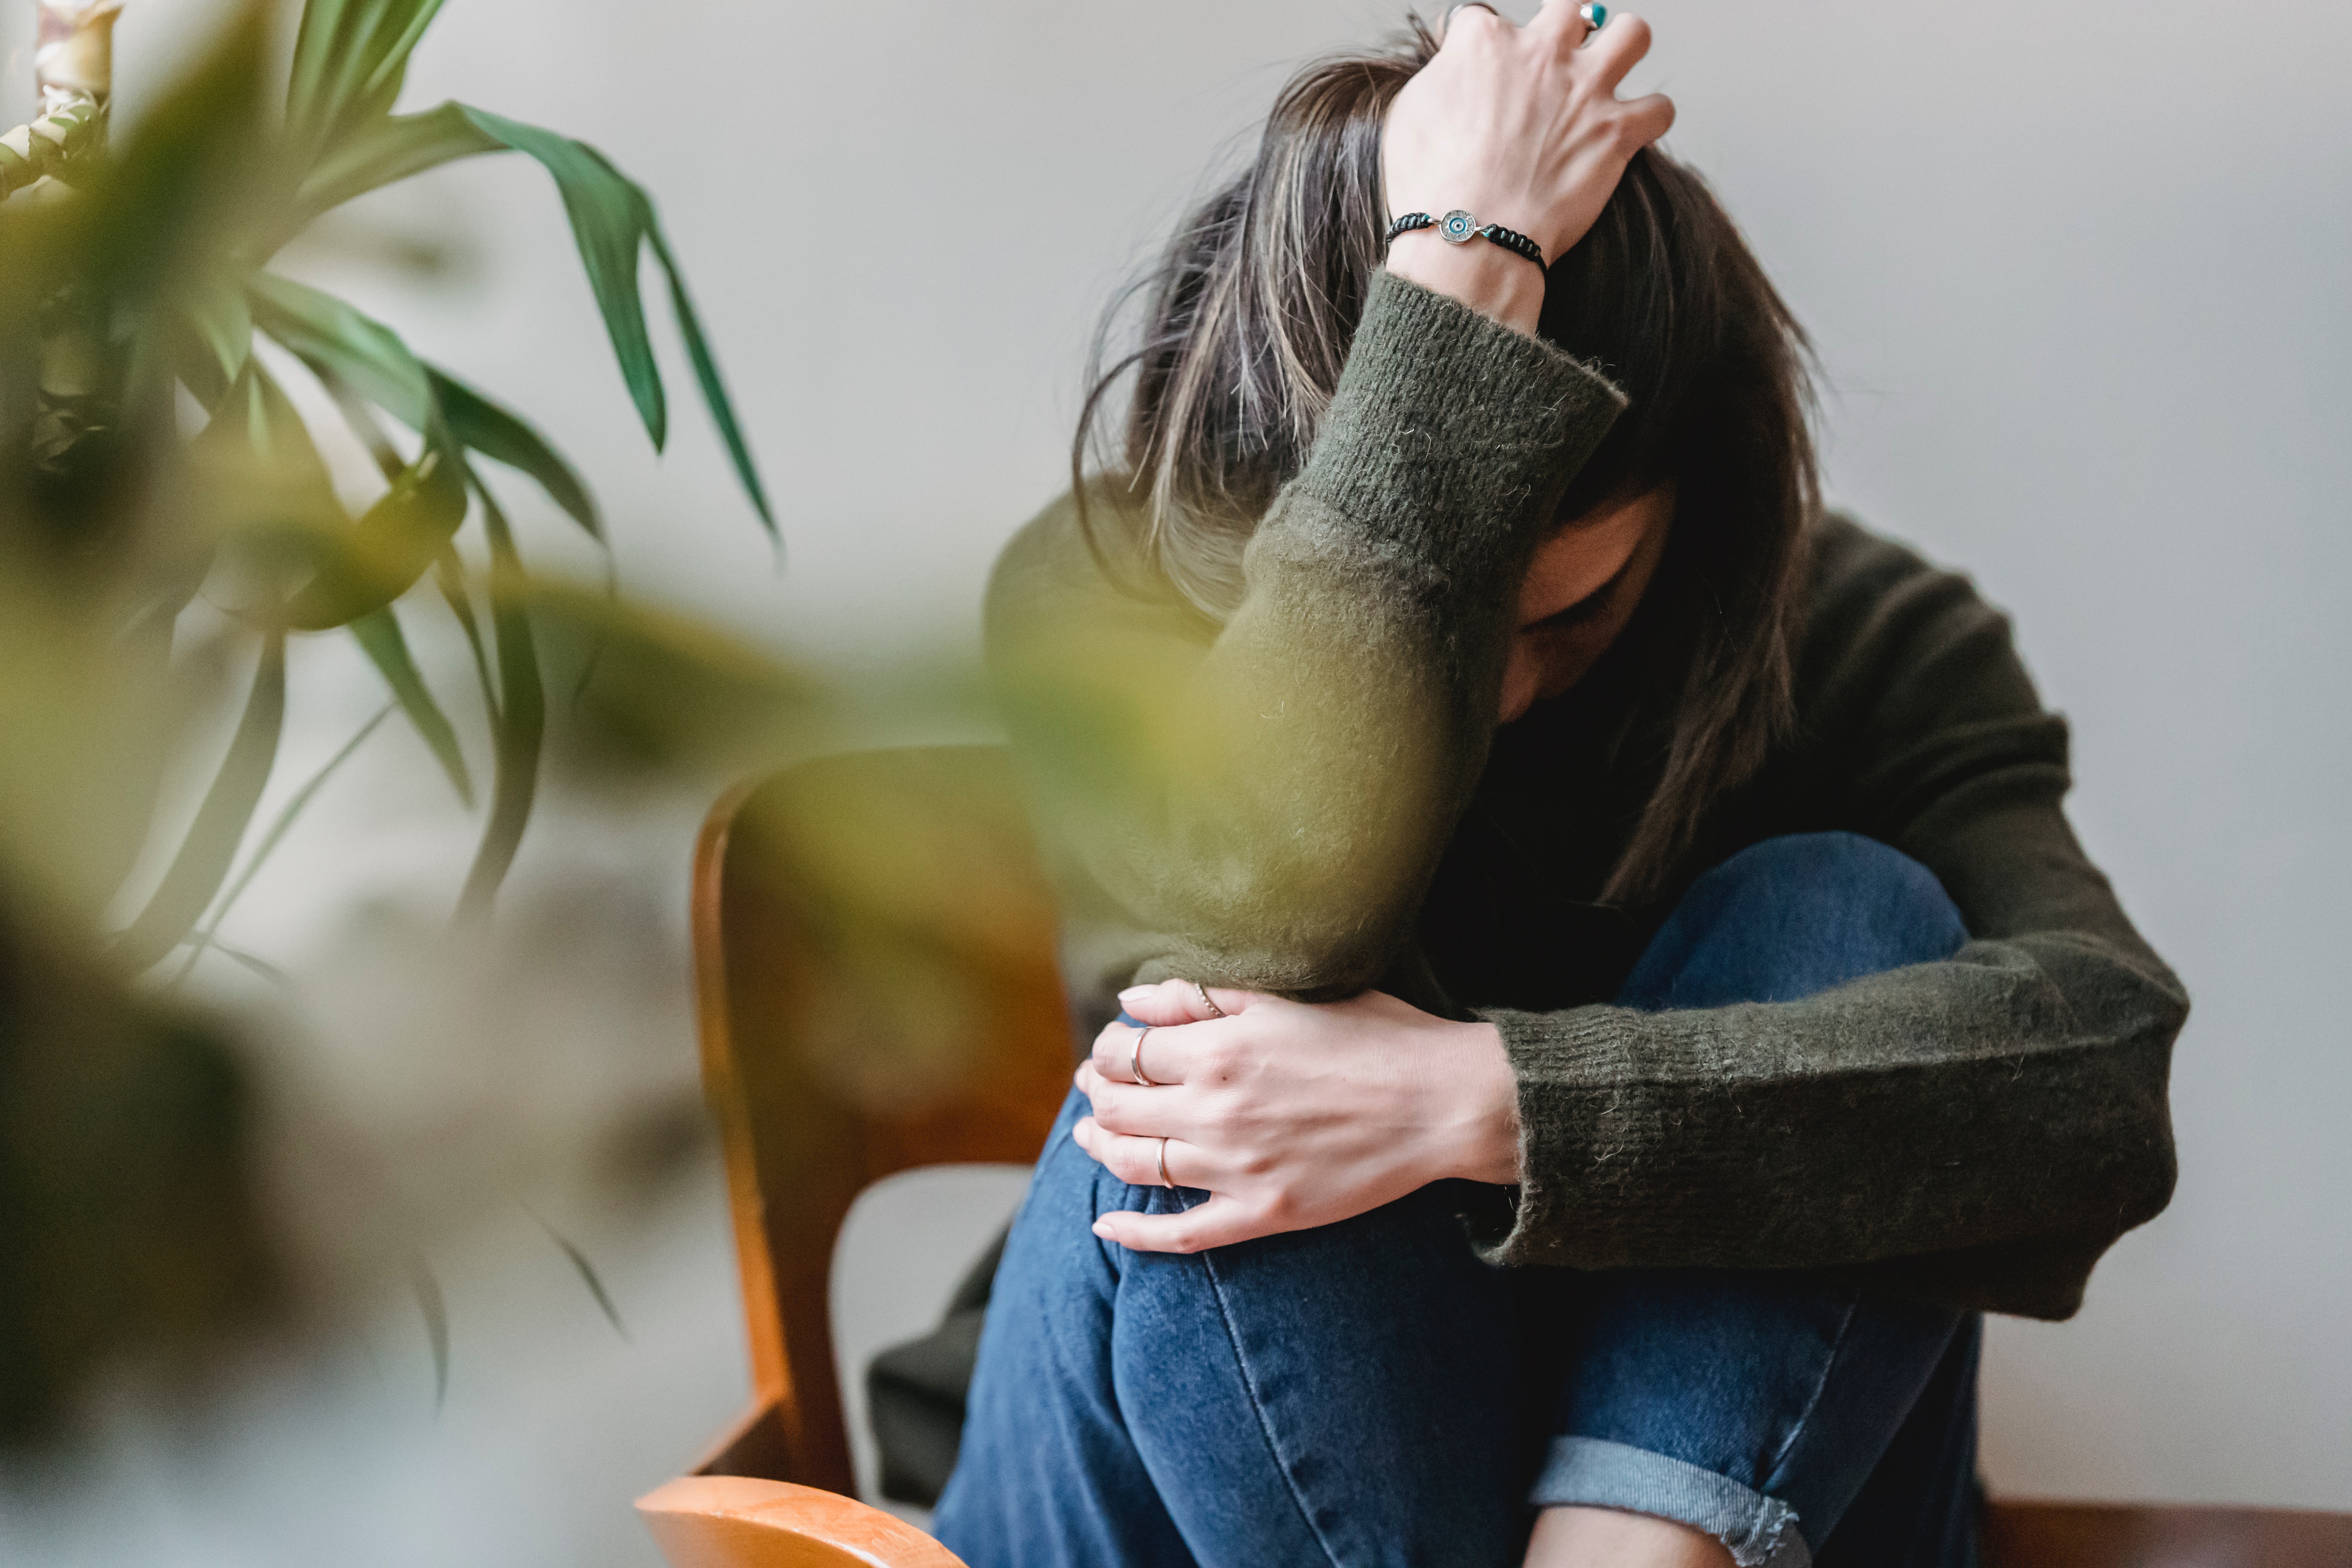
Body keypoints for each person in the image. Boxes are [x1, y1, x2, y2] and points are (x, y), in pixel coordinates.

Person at [877, 7, 2187, 1566]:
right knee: (1214, 1076)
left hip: (1665, 1512)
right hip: (1160, 1493)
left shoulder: (1847, 634)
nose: (1498, 688)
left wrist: (1479, 1104)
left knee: (1847, 906)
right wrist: (1463, 272)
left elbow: (2094, 1080)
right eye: (1452, 608)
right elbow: (1253, 940)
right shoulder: (1106, 589)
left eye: (1566, 615)